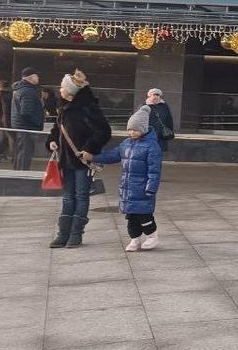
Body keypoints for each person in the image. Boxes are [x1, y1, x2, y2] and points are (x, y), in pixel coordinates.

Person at [46, 73, 111, 248]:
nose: (60, 89)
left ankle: (76, 234)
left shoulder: (87, 107)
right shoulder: (63, 106)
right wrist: (52, 140)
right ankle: (63, 234)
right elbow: (57, 128)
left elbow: (104, 131)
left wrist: (88, 149)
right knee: (68, 197)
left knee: (81, 196)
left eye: (63, 87)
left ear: (70, 91)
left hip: (82, 160)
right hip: (65, 159)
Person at [94, 105, 163, 252]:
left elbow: (154, 171)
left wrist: (151, 188)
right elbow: (112, 155)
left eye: (135, 129)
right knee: (131, 217)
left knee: (144, 216)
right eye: (130, 129)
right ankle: (135, 239)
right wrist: (93, 157)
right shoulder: (126, 143)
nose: (132, 132)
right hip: (127, 188)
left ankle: (152, 236)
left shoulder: (152, 147)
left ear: (143, 129)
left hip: (143, 188)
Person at [10, 67, 43, 171]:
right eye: (36, 75)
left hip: (20, 127)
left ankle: (18, 174)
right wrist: (37, 123)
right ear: (31, 77)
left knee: (20, 153)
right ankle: (22, 176)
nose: (38, 78)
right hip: (27, 128)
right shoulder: (28, 91)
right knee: (25, 154)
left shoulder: (20, 89)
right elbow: (26, 112)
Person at [145, 88, 175, 155]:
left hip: (161, 135)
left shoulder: (164, 106)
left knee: (158, 153)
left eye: (158, 95)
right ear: (149, 96)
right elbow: (138, 120)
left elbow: (169, 119)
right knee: (147, 153)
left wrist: (170, 131)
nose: (156, 97)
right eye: (154, 95)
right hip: (148, 134)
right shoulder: (144, 106)